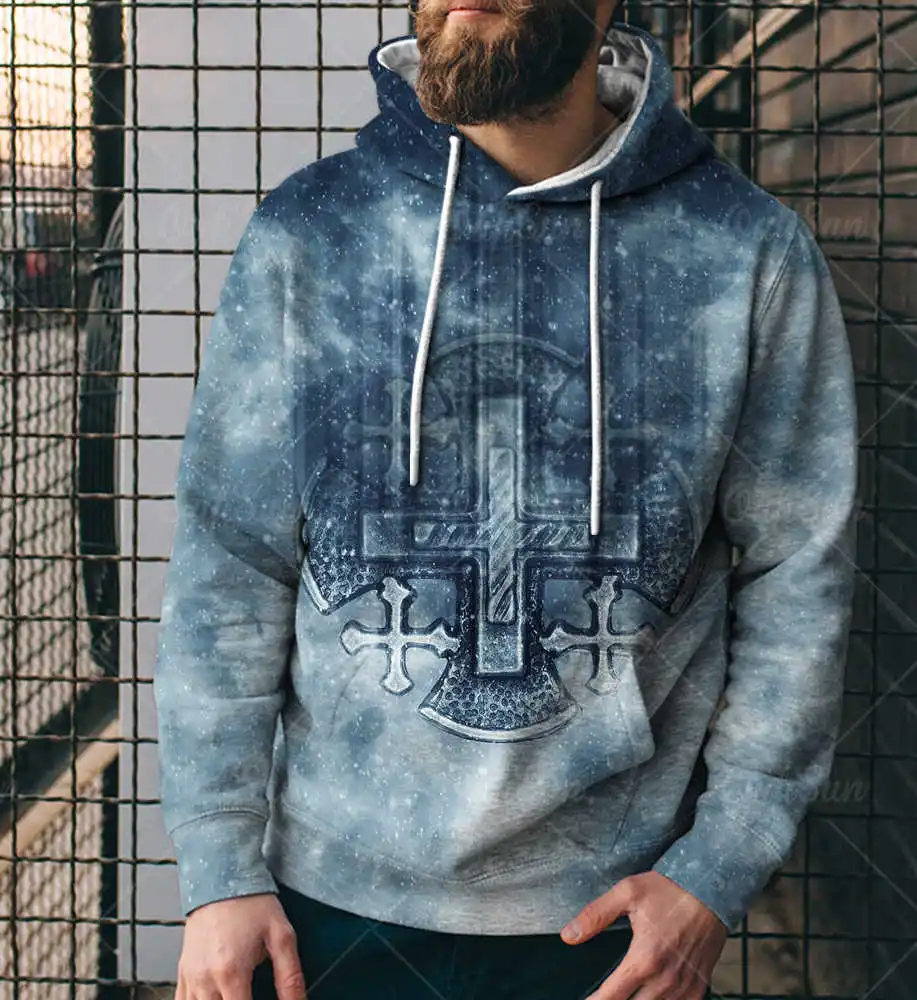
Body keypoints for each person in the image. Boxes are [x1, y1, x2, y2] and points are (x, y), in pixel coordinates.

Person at [153, 0, 859, 998]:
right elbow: (230, 561)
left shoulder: (743, 253)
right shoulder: (310, 234)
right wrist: (220, 867)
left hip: (613, 921)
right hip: (321, 908)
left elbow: (800, 573)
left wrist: (716, 867)